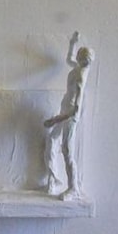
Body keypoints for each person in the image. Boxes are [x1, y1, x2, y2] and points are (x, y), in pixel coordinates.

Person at [43, 31, 94, 200]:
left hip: (69, 117)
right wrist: (72, 42)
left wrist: (55, 119)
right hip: (64, 110)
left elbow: (76, 109)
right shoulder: (78, 68)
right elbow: (68, 59)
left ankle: (73, 187)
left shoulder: (80, 76)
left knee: (67, 151)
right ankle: (53, 178)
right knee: (52, 140)